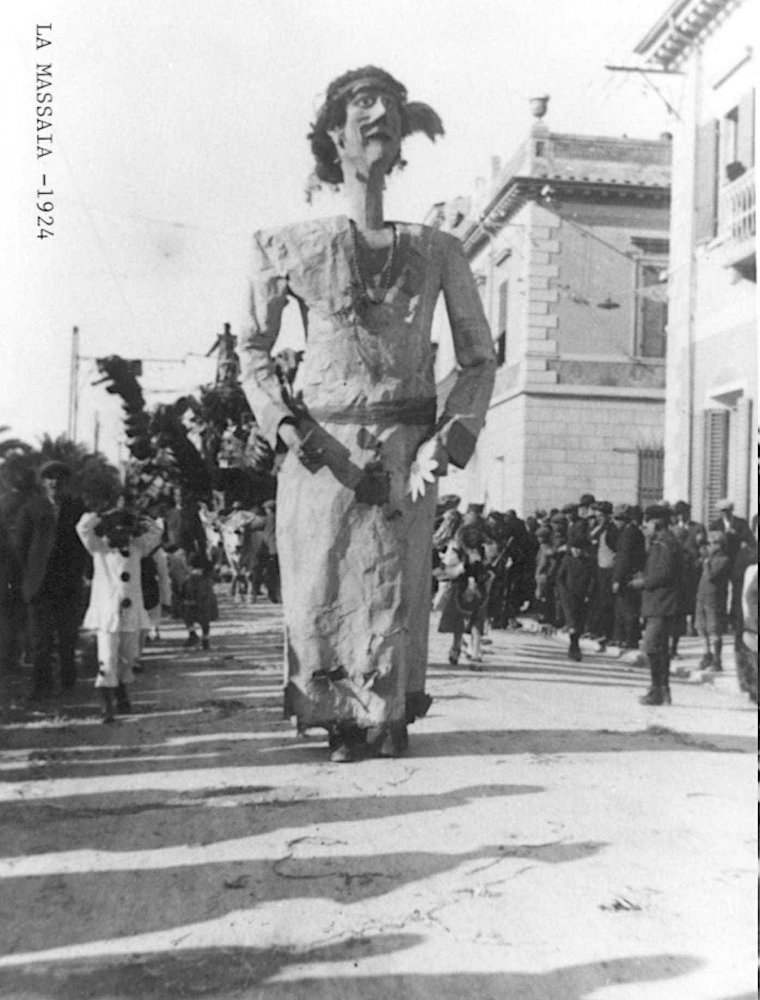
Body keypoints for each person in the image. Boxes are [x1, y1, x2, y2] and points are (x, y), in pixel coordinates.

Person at [240, 66, 495, 761]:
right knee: (324, 580)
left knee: (395, 581)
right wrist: (285, 425)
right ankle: (337, 718)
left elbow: (479, 359)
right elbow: (253, 349)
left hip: (405, 452)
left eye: (390, 102)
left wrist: (446, 437)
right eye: (362, 101)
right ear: (332, 132)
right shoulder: (285, 246)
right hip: (319, 452)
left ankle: (388, 715)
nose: (379, 111)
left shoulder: (439, 251)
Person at [76, 503, 162, 722]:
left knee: (128, 657)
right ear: (107, 530)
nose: (119, 533)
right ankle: (106, 704)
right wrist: (102, 515)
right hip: (108, 614)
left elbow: (156, 532)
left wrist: (139, 519)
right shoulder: (99, 548)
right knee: (107, 657)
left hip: (131, 614)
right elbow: (83, 528)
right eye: (115, 529)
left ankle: (122, 692)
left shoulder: (137, 547)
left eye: (124, 529)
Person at [12, 461, 89, 702]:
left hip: (68, 584)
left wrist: (80, 573)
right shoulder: (32, 508)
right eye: (49, 478)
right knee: (40, 640)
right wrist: (31, 576)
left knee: (67, 638)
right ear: (43, 482)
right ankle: (41, 687)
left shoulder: (77, 509)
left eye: (59, 478)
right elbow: (20, 547)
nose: (54, 482)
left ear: (66, 482)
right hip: (40, 586)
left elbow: (85, 545)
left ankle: (68, 684)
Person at [630, 505, 681, 706]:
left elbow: (665, 573)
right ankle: (661, 689)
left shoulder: (666, 542)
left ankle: (658, 690)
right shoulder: (659, 541)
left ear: (657, 522)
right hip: (657, 602)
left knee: (652, 647)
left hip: (663, 602)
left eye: (648, 521)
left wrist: (643, 582)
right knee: (658, 648)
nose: (645, 526)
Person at [437, 525, 491, 668]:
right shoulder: (456, 549)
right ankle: (456, 646)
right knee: (458, 621)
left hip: (479, 589)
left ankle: (475, 653)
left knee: (477, 621)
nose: (474, 536)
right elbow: (449, 568)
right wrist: (461, 568)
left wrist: (486, 572)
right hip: (460, 587)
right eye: (471, 533)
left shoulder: (483, 549)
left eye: (476, 532)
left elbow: (487, 565)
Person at [556, 523, 595, 662]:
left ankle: (575, 645)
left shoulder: (588, 562)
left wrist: (589, 593)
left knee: (579, 623)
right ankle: (574, 648)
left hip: (582, 596)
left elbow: (592, 579)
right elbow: (560, 578)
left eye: (580, 549)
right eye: (574, 549)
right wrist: (563, 592)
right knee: (572, 623)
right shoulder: (567, 561)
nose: (577, 552)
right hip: (568, 596)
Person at [694, 530, 730, 672]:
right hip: (702, 595)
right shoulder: (708, 559)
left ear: (720, 545)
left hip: (713, 598)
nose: (710, 546)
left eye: (713, 543)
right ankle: (706, 653)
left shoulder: (723, 559)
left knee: (713, 628)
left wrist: (706, 561)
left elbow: (711, 576)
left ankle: (717, 658)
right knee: (700, 626)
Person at [181, 553, 217, 650]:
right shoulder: (207, 577)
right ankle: (206, 640)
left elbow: (187, 590)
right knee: (205, 623)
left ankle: (192, 634)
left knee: (188, 618)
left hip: (193, 603)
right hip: (207, 602)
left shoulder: (191, 577)